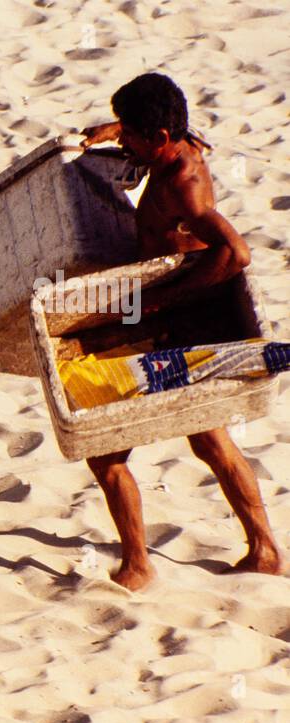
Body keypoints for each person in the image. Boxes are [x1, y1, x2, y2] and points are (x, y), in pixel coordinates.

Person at [79, 72, 284, 590]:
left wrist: (160, 302)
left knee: (105, 449)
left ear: (161, 140)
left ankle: (138, 566)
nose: (124, 141)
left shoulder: (185, 186)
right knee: (210, 440)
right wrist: (113, 129)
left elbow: (235, 253)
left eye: (131, 135)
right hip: (171, 312)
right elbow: (161, 129)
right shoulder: (176, 142)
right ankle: (264, 550)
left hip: (182, 319)